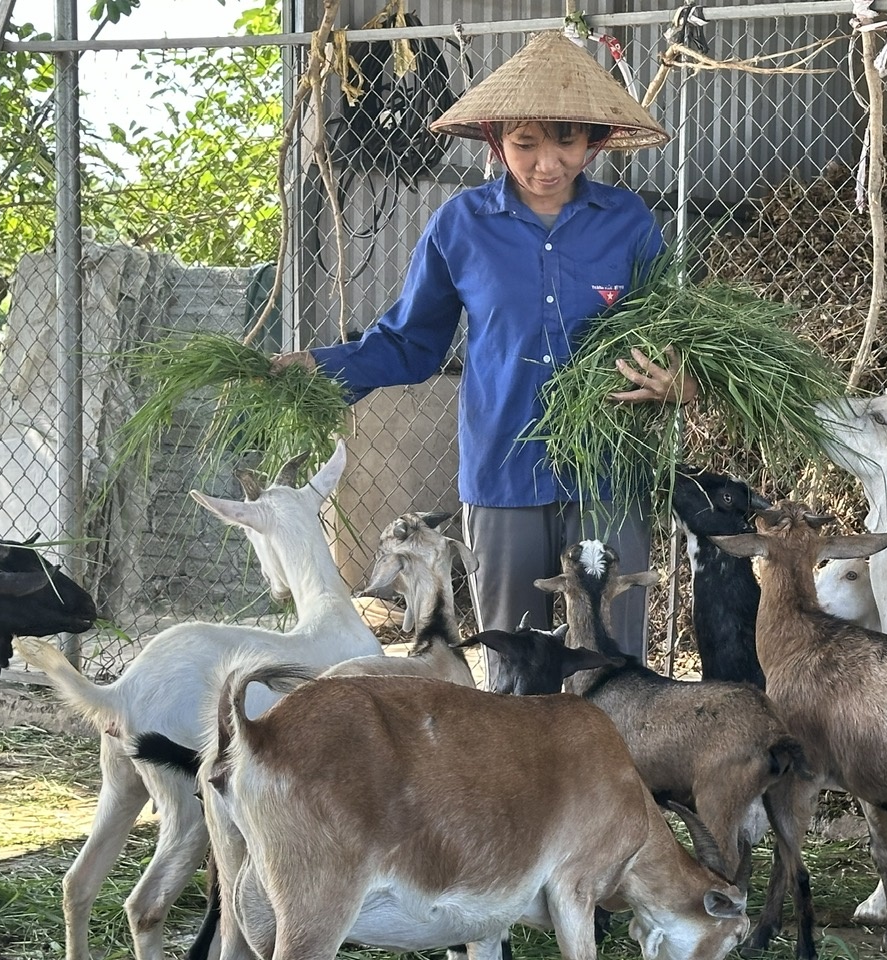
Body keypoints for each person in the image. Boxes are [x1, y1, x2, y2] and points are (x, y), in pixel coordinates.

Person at [272, 31, 695, 668]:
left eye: (566, 142)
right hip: (504, 467)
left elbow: (680, 334)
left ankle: (613, 767)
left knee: (611, 664)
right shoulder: (461, 225)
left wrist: (683, 381)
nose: (546, 163)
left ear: (594, 142)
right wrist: (318, 367)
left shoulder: (628, 222)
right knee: (516, 659)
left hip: (609, 468)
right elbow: (412, 342)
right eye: (525, 144)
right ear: (497, 141)